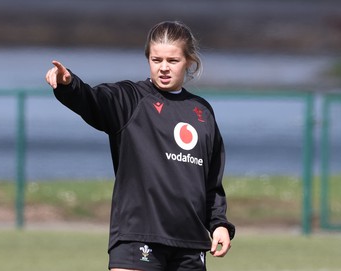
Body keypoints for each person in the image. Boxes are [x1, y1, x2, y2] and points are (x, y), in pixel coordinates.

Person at [46, 21, 235, 271]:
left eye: (173, 60)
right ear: (148, 59)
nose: (164, 68)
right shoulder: (130, 99)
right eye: (156, 60)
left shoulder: (202, 112)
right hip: (138, 236)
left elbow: (211, 182)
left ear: (189, 62)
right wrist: (70, 86)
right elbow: (93, 100)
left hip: (190, 242)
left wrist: (218, 224)